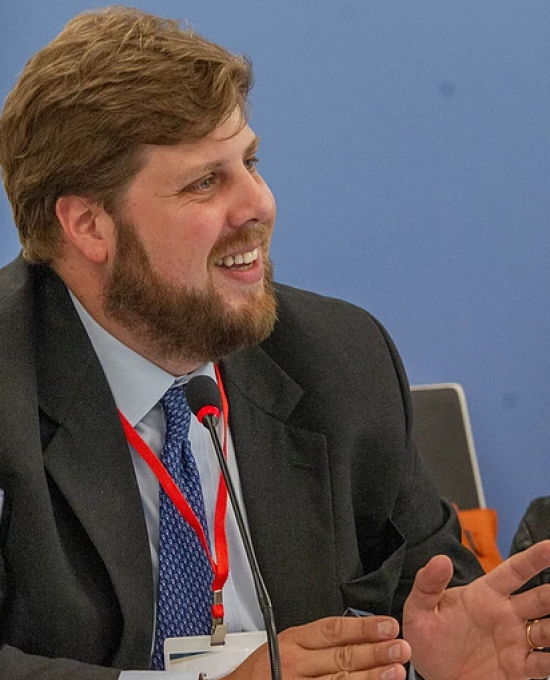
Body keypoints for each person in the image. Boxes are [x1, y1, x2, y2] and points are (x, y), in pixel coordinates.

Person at [0, 7, 549, 680]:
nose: (259, 203)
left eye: (250, 162)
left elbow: (433, 600)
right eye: (206, 181)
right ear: (89, 225)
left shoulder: (341, 360)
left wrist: (431, 662)